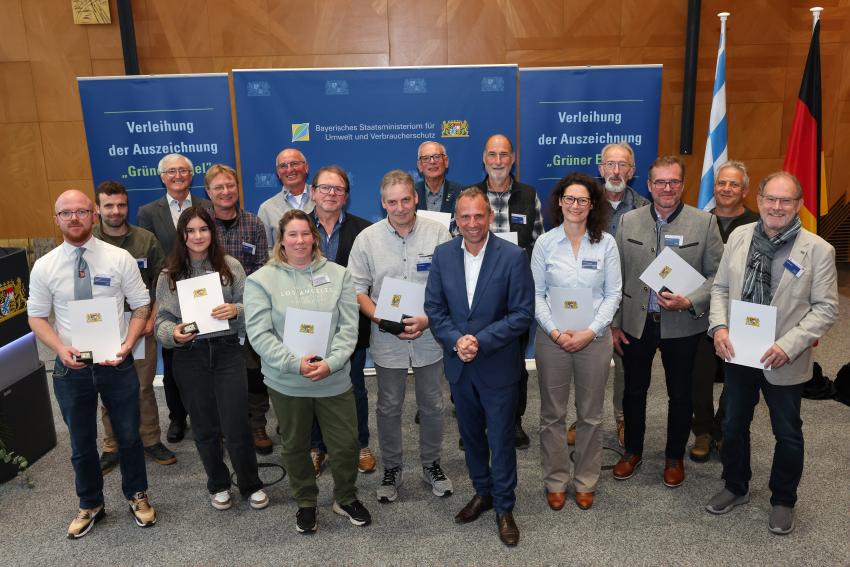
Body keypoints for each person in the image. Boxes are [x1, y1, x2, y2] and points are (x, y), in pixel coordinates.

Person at [705, 171, 838, 535]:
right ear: (760, 200)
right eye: (771, 199)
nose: (777, 207)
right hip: (739, 352)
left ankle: (783, 499)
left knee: (788, 432)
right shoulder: (738, 236)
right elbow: (718, 289)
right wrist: (718, 328)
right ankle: (736, 486)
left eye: (786, 200)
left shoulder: (819, 250)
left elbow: (826, 308)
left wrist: (788, 345)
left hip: (784, 358)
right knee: (732, 425)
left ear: (798, 205)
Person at [28, 190, 157, 538]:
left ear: (94, 215)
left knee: (130, 436)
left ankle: (137, 494)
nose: (74, 218)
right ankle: (90, 504)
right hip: (72, 368)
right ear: (56, 219)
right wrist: (59, 348)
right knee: (82, 443)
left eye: (81, 211)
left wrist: (128, 345)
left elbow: (141, 305)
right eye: (66, 213)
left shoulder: (119, 258)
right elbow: (37, 316)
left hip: (116, 363)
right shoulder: (45, 266)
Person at [245, 209, 372, 534]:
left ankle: (344, 497)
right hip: (287, 381)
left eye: (305, 234)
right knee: (296, 445)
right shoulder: (260, 280)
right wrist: (294, 363)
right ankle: (305, 502)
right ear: (281, 240)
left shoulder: (339, 275)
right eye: (292, 235)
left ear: (314, 237)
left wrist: (332, 362)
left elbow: (349, 327)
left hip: (333, 377)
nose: (300, 240)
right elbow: (259, 334)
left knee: (346, 445)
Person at [424, 187, 534, 547]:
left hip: (497, 364)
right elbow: (435, 310)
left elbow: (521, 314)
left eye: (478, 216)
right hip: (460, 366)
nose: (472, 224)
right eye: (465, 217)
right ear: (456, 219)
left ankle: (504, 506)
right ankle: (482, 493)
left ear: (489, 217)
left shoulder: (513, 256)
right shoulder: (442, 256)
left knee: (500, 438)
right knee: (471, 437)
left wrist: (479, 341)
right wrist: (458, 341)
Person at [611, 155, 723, 488]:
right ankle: (632, 451)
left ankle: (674, 457)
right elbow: (615, 276)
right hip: (636, 322)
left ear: (683, 184)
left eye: (674, 181)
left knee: (680, 393)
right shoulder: (629, 221)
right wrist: (615, 323)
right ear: (648, 185)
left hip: (683, 325)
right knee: (633, 390)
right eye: (660, 182)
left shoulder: (703, 223)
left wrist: (691, 300)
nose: (667, 188)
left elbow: (718, 275)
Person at [348, 170, 454, 504]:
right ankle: (392, 468)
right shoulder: (367, 239)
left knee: (433, 404)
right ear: (383, 203)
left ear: (415, 198)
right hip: (387, 336)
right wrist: (380, 317)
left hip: (428, 333)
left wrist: (427, 319)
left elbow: (451, 285)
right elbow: (356, 289)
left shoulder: (438, 234)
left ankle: (431, 463)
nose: (400, 207)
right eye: (392, 202)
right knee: (389, 405)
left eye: (405, 199)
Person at [154, 206, 268, 511]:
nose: (197, 236)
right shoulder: (170, 275)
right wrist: (173, 334)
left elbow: (252, 307)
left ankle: (250, 484)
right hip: (190, 357)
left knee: (236, 424)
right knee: (204, 427)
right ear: (182, 236)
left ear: (212, 232)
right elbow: (160, 322)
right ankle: (218, 483)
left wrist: (236, 311)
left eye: (203, 229)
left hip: (228, 351)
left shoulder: (230, 266)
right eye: (190, 231)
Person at [531, 173, 621, 512]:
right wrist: (555, 331)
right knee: (552, 415)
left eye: (582, 200)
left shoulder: (606, 244)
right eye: (569, 199)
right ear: (559, 202)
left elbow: (613, 294)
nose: (575, 205)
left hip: (594, 340)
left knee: (591, 416)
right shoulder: (545, 243)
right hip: (552, 339)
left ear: (592, 205)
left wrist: (590, 331)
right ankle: (555, 480)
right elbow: (536, 294)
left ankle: (585, 481)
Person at [566, 143, 649, 448]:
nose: (616, 171)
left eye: (623, 165)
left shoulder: (644, 208)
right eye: (610, 164)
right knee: (587, 365)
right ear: (600, 169)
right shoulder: (582, 205)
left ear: (633, 171)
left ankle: (623, 417)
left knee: (627, 368)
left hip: (628, 304)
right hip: (587, 302)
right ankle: (584, 416)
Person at [92, 181, 176, 474]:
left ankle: (151, 439)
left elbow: (161, 281)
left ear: (127, 206)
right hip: (101, 326)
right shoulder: (88, 241)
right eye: (109, 206)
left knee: (142, 386)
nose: (116, 211)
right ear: (97, 209)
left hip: (140, 324)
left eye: (121, 205)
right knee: (108, 386)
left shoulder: (145, 239)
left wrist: (153, 317)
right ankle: (111, 445)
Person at [472, 133, 544, 448]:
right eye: (492, 155)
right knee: (474, 360)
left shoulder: (529, 195)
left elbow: (539, 243)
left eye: (504, 155)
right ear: (484, 158)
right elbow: (455, 242)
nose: (498, 161)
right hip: (476, 296)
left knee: (515, 363)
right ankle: (475, 425)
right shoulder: (471, 195)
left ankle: (513, 423)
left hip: (516, 296)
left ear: (512, 158)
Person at [137, 153, 213, 444]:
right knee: (172, 364)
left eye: (183, 170)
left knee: (208, 357)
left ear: (191, 175)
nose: (178, 175)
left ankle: (207, 415)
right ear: (162, 177)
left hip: (206, 290)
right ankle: (178, 417)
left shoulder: (206, 206)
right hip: (170, 293)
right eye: (171, 171)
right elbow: (148, 257)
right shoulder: (148, 212)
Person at [307, 166, 376, 476]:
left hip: (351, 324)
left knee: (355, 387)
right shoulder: (297, 228)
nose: (331, 194)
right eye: (325, 188)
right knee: (312, 386)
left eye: (338, 189)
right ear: (312, 192)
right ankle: (316, 447)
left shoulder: (364, 230)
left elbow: (370, 279)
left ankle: (360, 443)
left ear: (346, 196)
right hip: (309, 323)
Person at [689, 160, 760, 462]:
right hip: (704, 315)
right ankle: (703, 430)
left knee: (738, 380)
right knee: (699, 377)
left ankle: (722, 428)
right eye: (721, 183)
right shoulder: (700, 222)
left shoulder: (760, 224)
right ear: (713, 187)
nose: (726, 189)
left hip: (745, 316)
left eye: (733, 184)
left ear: (744, 190)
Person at [202, 164, 273, 456]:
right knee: (215, 373)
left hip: (246, 310)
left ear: (237, 187)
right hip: (209, 312)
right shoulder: (198, 222)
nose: (225, 192)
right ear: (208, 192)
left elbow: (261, 269)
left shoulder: (253, 223)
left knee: (254, 372)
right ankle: (222, 427)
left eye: (230, 185)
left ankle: (257, 425)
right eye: (218, 187)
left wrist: (244, 305)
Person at [258, 148, 313, 250]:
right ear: (278, 173)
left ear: (306, 167)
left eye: (294, 163)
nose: (289, 169)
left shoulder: (321, 199)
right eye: (283, 166)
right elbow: (267, 251)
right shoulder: (266, 208)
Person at [414, 140, 464, 214]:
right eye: (426, 158)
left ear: (446, 161)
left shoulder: (461, 193)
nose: (432, 162)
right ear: (419, 166)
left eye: (437, 157)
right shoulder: (411, 193)